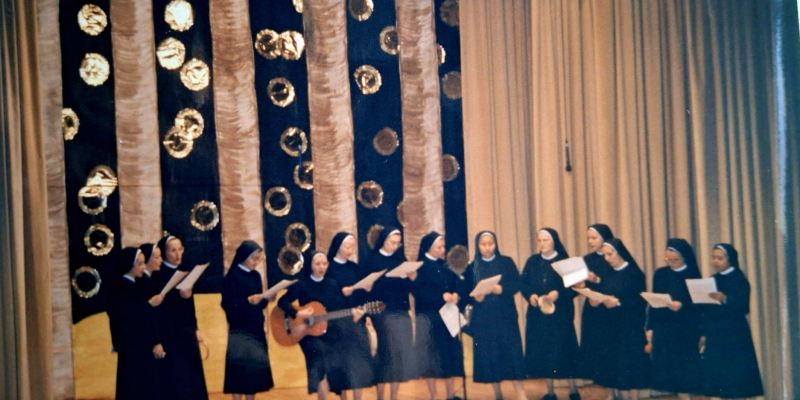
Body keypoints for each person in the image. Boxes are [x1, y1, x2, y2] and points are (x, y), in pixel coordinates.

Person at [277, 251, 366, 400]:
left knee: (345, 351)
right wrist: (298, 313)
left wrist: (353, 315)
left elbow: (338, 308)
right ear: (310, 265)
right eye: (318, 264)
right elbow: (282, 302)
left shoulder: (332, 283)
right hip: (308, 333)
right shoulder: (302, 284)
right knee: (319, 356)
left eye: (325, 264)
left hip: (329, 330)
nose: (322, 267)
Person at [462, 231, 528, 400]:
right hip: (484, 318)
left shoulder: (506, 262)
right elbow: (467, 291)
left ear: (495, 244)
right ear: (478, 246)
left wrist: (502, 289)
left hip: (505, 315)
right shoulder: (472, 266)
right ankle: (497, 393)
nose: (487, 248)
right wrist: (475, 297)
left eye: (490, 244)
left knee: (512, 354)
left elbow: (517, 283)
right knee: (491, 356)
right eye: (483, 244)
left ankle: (520, 392)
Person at [521, 228, 580, 400]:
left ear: (553, 241)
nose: (542, 244)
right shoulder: (532, 261)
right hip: (539, 315)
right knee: (544, 352)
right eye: (539, 240)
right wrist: (530, 295)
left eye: (545, 240)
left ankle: (573, 389)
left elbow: (575, 287)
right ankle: (550, 391)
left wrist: (558, 293)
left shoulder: (565, 261)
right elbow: (523, 284)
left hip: (561, 315)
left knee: (565, 351)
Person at [698, 244, 763, 399]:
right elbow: (707, 311)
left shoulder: (739, 279)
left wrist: (726, 299)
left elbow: (744, 307)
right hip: (715, 333)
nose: (715, 261)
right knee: (718, 379)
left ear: (730, 259)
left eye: (720, 258)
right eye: (713, 257)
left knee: (736, 378)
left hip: (734, 334)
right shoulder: (712, 279)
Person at [150, 235, 208, 399]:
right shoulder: (157, 275)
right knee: (175, 379)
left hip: (186, 332)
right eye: (173, 250)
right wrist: (156, 339)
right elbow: (156, 310)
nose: (178, 254)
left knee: (192, 379)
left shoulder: (185, 272)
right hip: (168, 333)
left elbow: (189, 308)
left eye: (180, 249)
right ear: (165, 252)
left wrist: (195, 328)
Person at [411, 232, 465, 400]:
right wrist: (441, 297)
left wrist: (455, 294)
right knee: (430, 358)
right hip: (428, 317)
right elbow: (418, 292)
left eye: (443, 247)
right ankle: (433, 395)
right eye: (439, 247)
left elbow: (455, 284)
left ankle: (451, 394)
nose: (443, 250)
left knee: (449, 356)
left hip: (446, 316)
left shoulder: (445, 265)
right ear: (428, 247)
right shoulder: (419, 266)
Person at [646, 239, 702, 399]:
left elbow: (700, 305)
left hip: (685, 330)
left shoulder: (693, 275)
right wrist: (650, 327)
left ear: (684, 257)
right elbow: (654, 302)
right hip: (664, 328)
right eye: (668, 260)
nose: (671, 263)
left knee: (684, 373)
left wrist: (682, 305)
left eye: (675, 260)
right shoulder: (660, 274)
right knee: (669, 373)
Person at [595, 238, 649, 400]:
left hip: (628, 326)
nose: (607, 258)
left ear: (619, 253)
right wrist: (597, 300)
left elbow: (640, 300)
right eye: (604, 255)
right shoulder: (607, 273)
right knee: (613, 364)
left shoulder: (634, 273)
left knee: (628, 365)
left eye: (609, 254)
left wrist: (619, 302)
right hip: (610, 325)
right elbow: (603, 292)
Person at [367, 227, 417, 400]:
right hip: (382, 313)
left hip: (401, 311)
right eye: (392, 242)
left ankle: (394, 397)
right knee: (385, 354)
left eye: (398, 243)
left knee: (399, 355)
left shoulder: (400, 259)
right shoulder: (372, 260)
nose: (395, 246)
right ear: (383, 240)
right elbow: (367, 291)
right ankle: (381, 397)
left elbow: (410, 289)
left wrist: (411, 278)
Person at [220, 241, 275, 399]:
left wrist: (267, 299)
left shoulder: (255, 276)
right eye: (254, 258)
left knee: (253, 374)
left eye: (258, 259)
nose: (256, 262)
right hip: (240, 330)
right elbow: (227, 304)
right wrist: (247, 301)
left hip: (255, 328)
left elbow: (259, 303)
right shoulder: (232, 277)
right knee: (238, 373)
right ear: (244, 257)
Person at [325, 232, 376, 400]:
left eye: (352, 247)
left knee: (359, 361)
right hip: (339, 320)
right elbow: (327, 296)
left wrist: (366, 290)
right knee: (343, 363)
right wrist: (342, 293)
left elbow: (362, 295)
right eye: (347, 247)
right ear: (338, 247)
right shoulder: (329, 269)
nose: (350, 250)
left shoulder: (355, 268)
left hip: (357, 318)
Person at [108, 247, 157, 399]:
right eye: (140, 264)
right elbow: (128, 317)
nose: (144, 267)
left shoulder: (134, 284)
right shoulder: (121, 287)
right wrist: (149, 305)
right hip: (131, 345)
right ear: (130, 265)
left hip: (138, 345)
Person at [575, 224, 614, 385]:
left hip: (608, 309)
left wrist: (596, 280)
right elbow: (582, 285)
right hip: (591, 307)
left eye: (594, 238)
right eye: (588, 238)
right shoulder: (587, 259)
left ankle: (611, 386)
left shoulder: (612, 257)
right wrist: (581, 285)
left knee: (608, 347)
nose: (590, 241)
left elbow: (614, 283)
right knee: (593, 346)